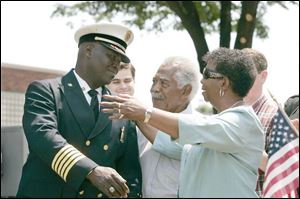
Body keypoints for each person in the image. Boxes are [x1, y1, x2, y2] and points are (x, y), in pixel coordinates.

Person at [101, 47, 265, 197]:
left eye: (207, 74)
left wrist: (144, 112)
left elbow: (192, 128)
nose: (201, 81)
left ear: (223, 82)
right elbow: (172, 146)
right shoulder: (218, 129)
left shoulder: (241, 122)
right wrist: (137, 117)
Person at [17, 23, 142, 198]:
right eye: (111, 56)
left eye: (119, 59)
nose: (116, 64)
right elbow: (43, 136)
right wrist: (91, 171)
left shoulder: (120, 106)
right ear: (88, 50)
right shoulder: (47, 90)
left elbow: (129, 172)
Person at [108, 57, 200, 197]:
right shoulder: (137, 127)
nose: (154, 89)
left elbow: (171, 147)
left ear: (186, 91)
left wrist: (138, 116)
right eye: (154, 81)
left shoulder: (201, 128)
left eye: (164, 83)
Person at [242, 48, 278, 196]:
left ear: (263, 76)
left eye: (247, 74)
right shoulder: (226, 113)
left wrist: (245, 146)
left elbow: (281, 170)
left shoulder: (274, 115)